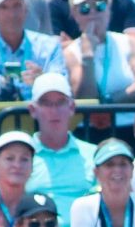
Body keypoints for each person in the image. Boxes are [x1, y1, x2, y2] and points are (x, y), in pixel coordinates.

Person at [22, 74, 97, 215]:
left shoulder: (94, 155)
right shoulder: (21, 157)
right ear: (33, 110)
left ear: (72, 107)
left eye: (61, 102)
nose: (54, 110)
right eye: (45, 103)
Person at [66, 0, 135, 106]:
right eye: (85, 8)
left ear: (109, 11)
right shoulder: (70, 52)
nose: (93, 13)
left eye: (100, 6)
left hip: (128, 122)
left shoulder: (129, 43)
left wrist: (108, 102)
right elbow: (85, 98)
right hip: (90, 125)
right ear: (75, 14)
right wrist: (87, 57)